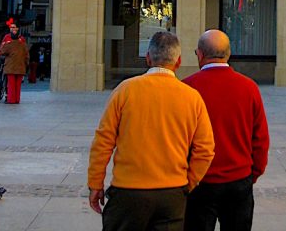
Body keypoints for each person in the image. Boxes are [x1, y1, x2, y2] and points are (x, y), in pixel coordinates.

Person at [88, 30, 215, 231]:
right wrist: (188, 183)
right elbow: (205, 149)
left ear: (148, 58)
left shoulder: (125, 90)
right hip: (171, 193)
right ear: (178, 61)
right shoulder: (192, 97)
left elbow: (103, 141)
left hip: (128, 191)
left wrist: (95, 184)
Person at [183, 29, 269, 231]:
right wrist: (253, 173)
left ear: (200, 54)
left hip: (199, 182)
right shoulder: (249, 87)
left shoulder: (187, 88)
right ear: (228, 54)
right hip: (238, 180)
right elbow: (261, 139)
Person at [0, 22, 29, 104]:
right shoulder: (23, 44)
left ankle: (11, 99)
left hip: (11, 67)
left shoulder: (9, 44)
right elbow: (27, 55)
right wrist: (26, 64)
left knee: (11, 84)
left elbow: (2, 51)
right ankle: (17, 99)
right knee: (18, 85)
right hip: (21, 66)